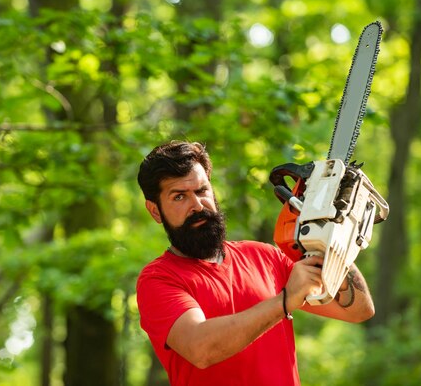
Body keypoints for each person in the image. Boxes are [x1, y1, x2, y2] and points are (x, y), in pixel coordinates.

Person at [136, 141, 375, 386]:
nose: (197, 205)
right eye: (179, 197)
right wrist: (283, 302)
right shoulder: (158, 279)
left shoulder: (264, 257)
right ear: (155, 211)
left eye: (201, 191)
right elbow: (201, 348)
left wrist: (329, 238)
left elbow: (358, 309)